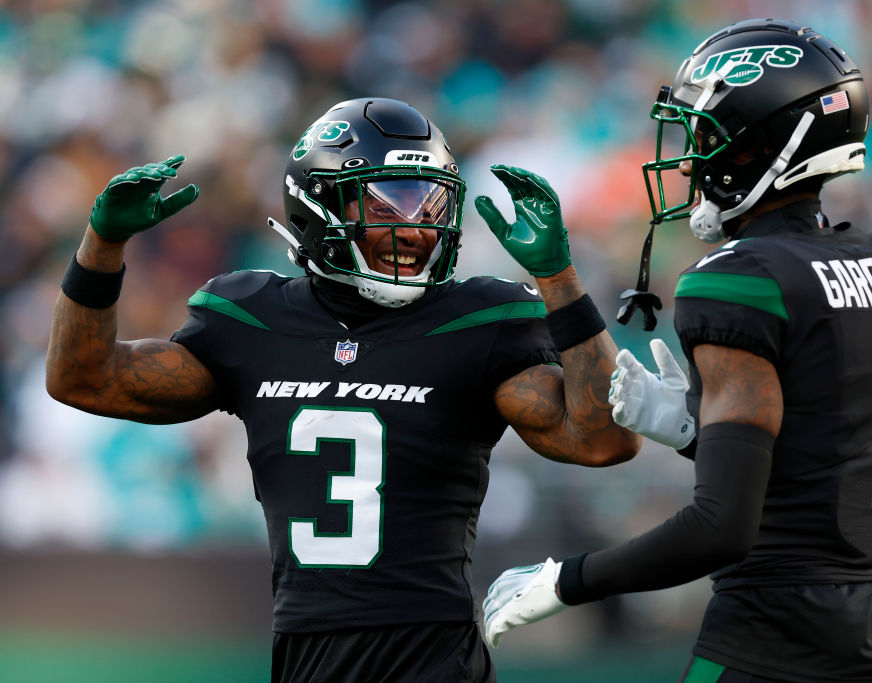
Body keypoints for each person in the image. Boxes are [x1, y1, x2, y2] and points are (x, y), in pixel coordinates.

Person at [45, 97, 640, 683]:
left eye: (429, 202)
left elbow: (603, 441)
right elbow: (83, 380)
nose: (414, 226)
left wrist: (559, 279)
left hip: (431, 659)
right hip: (305, 654)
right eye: (387, 203)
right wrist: (101, 246)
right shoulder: (249, 318)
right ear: (317, 204)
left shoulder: (481, 319)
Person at [483, 18, 872, 683]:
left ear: (764, 147)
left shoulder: (740, 278)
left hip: (773, 639)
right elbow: (819, 448)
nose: (692, 158)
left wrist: (566, 580)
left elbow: (721, 527)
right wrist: (697, 433)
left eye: (707, 136)